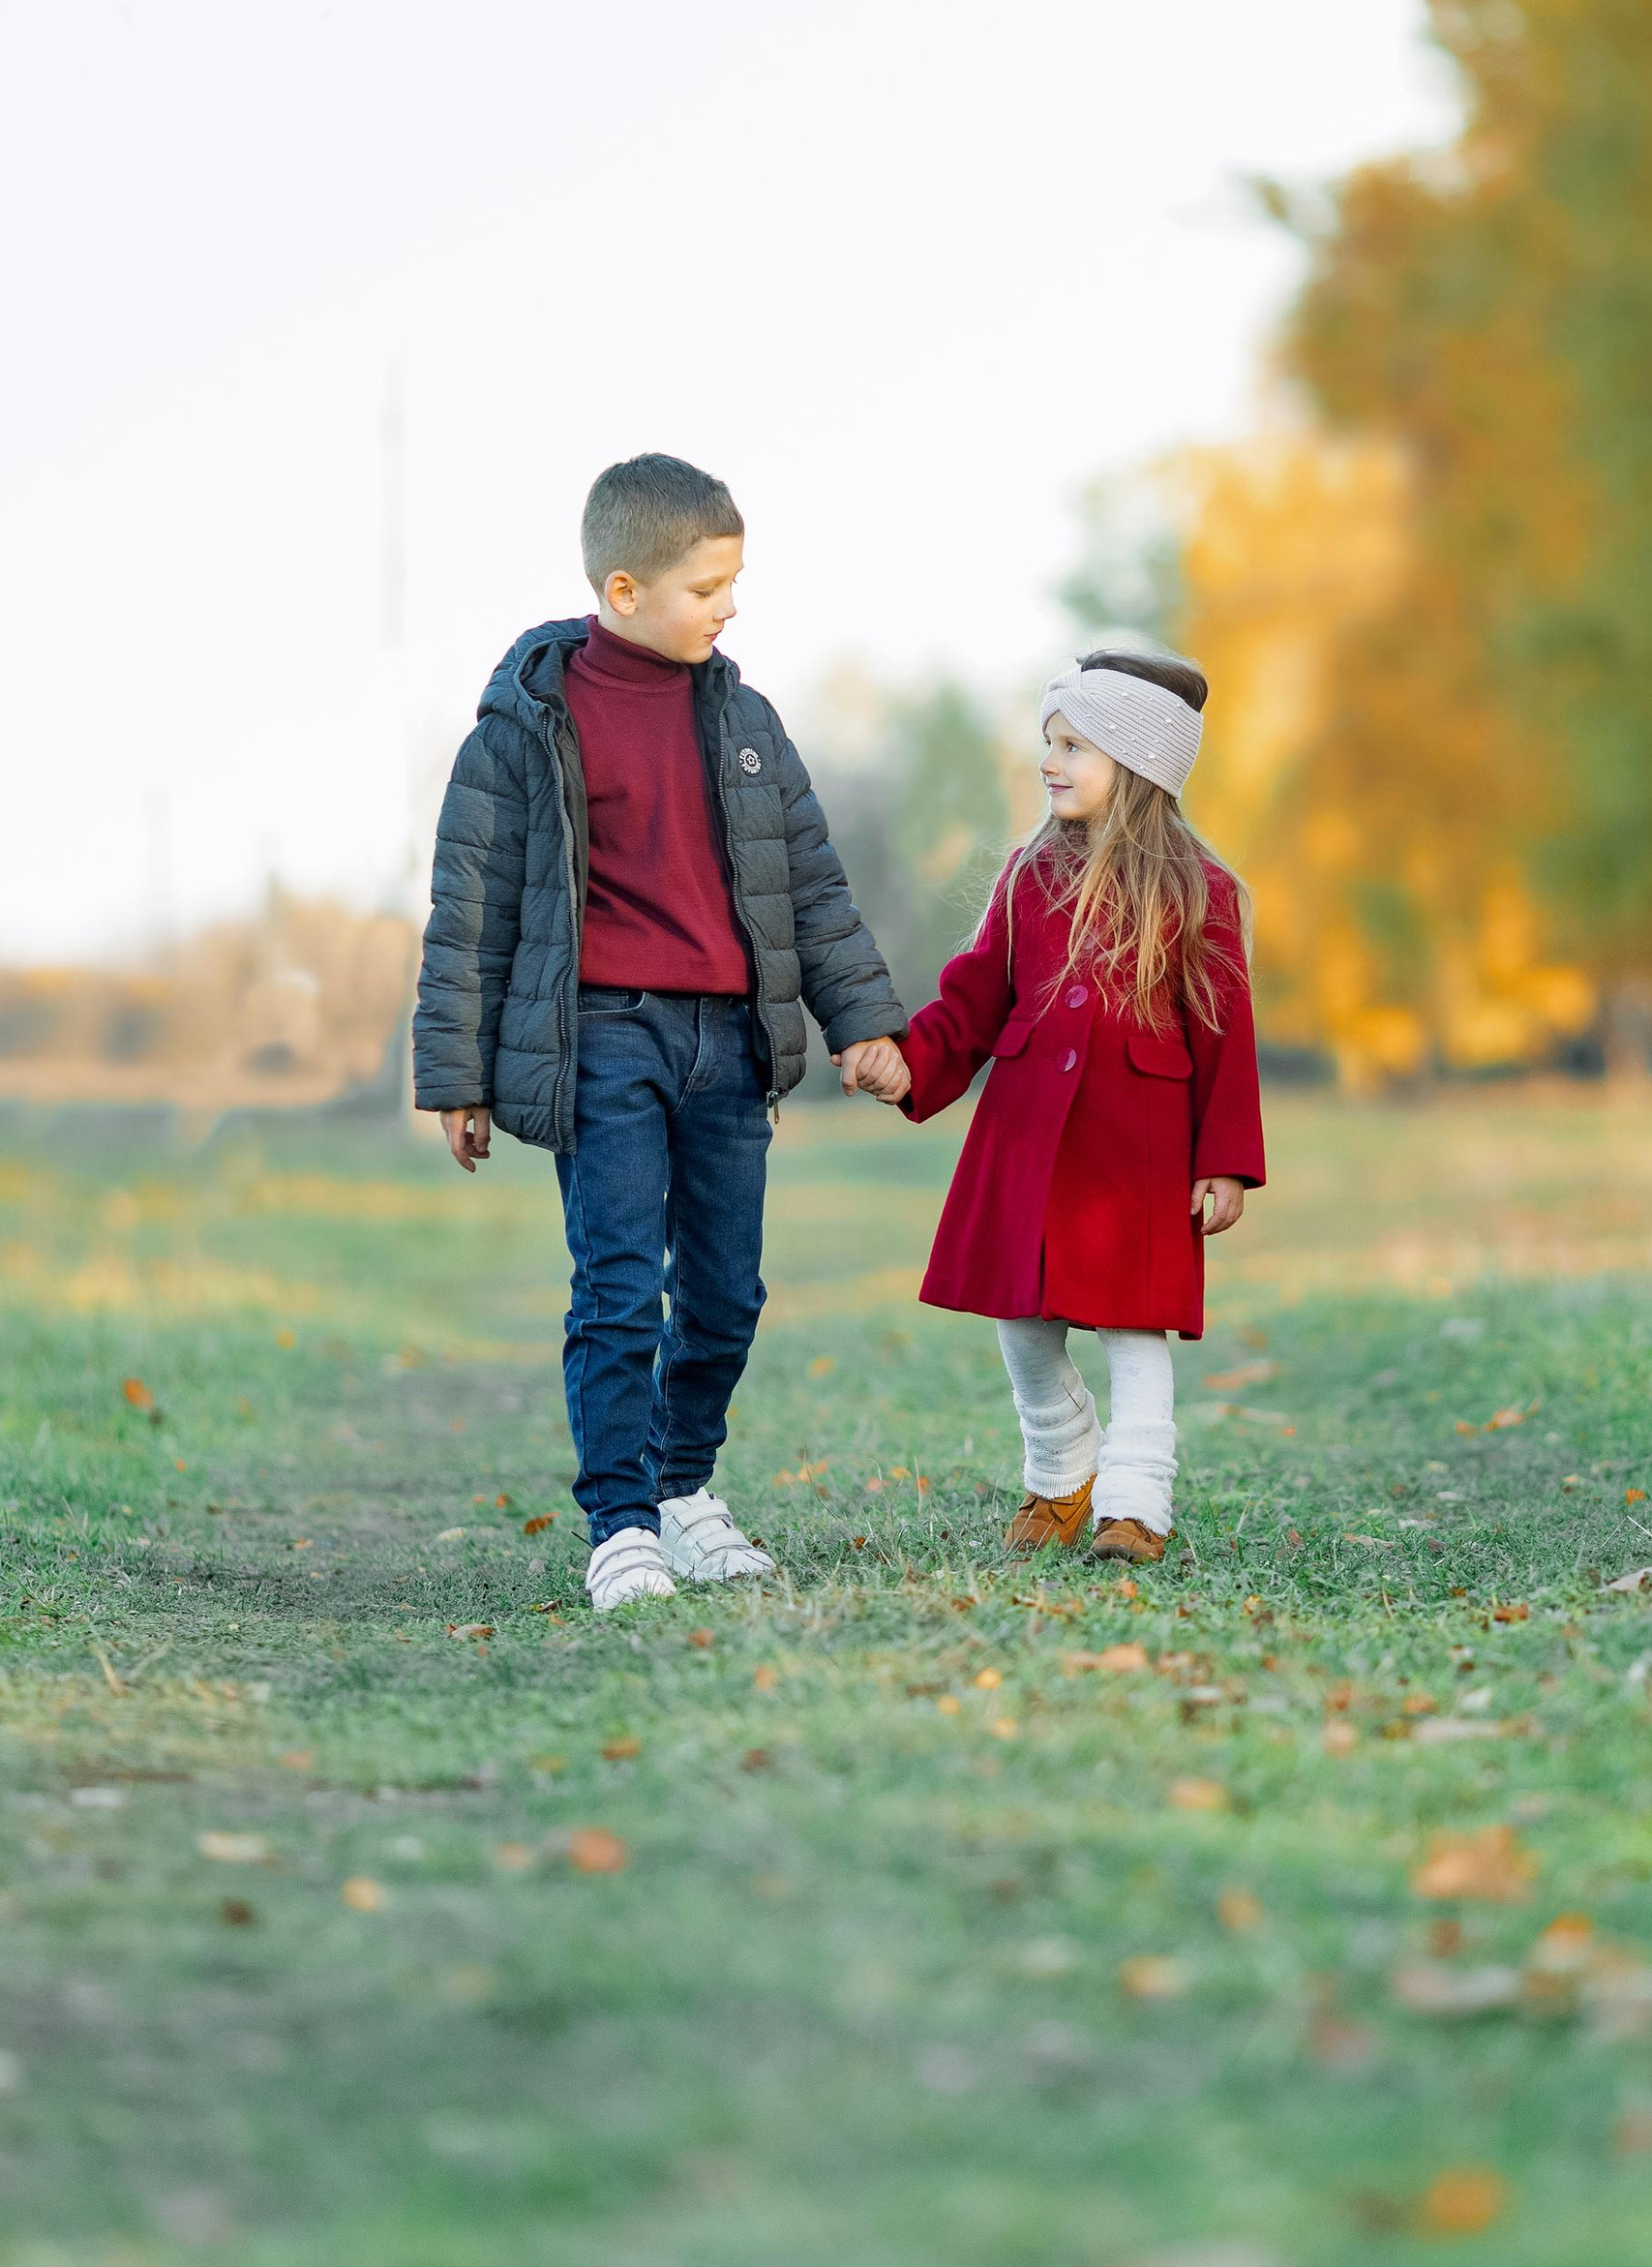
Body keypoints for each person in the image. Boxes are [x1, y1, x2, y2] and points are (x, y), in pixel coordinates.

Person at [410, 453, 909, 1612]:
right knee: (621, 1289)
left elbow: (811, 888)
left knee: (727, 1295)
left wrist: (863, 1022)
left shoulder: (744, 721)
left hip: (730, 1048)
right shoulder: (522, 730)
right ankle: (622, 1524)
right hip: (603, 1042)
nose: (729, 608)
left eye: (732, 583)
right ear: (624, 590)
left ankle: (683, 1489)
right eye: (706, 589)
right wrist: (457, 1074)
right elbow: (470, 910)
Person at [846, 650, 1264, 1560]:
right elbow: (973, 1000)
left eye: (1074, 745)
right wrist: (908, 1064)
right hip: (1028, 1135)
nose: (1049, 762)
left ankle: (1136, 1503)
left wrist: (1225, 1161)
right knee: (1022, 1319)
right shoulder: (1029, 874)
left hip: (1138, 1147)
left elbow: (1224, 1035)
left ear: (1139, 760)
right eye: (1050, 742)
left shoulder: (1199, 891)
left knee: (1133, 1326)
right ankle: (1062, 1470)